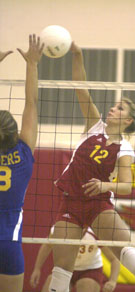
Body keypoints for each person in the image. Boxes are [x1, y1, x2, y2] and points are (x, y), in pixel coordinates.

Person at [48, 42, 135, 292]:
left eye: (119, 108)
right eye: (114, 106)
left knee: (123, 248)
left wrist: (104, 184)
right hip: (70, 201)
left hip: (97, 202)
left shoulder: (124, 148)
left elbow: (126, 186)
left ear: (128, 120)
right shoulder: (94, 125)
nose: (113, 108)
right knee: (62, 266)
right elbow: (81, 87)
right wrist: (78, 55)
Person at [0, 35, 44, 292]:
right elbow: (31, 102)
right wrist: (32, 64)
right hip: (8, 243)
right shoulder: (24, 151)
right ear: (15, 133)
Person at [30, 227, 120, 292]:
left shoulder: (95, 233)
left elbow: (114, 259)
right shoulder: (61, 228)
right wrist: (37, 269)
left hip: (90, 270)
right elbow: (47, 245)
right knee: (51, 283)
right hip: (65, 267)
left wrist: (112, 281)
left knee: (86, 284)